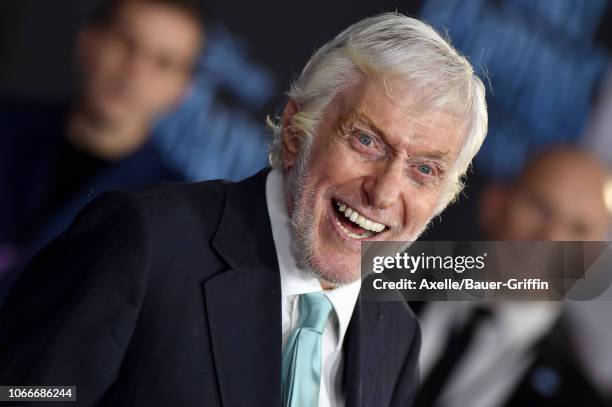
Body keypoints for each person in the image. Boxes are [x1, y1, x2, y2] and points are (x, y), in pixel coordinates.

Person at [0, 13, 488, 407]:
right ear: (298, 134)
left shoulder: (395, 337)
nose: (383, 193)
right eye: (366, 141)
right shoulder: (149, 240)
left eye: (425, 170)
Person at [0, 0, 205, 297]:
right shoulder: (6, 124)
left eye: (163, 63)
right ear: (87, 40)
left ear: (182, 90)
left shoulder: (170, 209)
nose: (133, 71)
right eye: (126, 43)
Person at [415, 147, 611, 407]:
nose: (549, 238)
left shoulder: (581, 398)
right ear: (494, 203)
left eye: (578, 229)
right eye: (540, 208)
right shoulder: (375, 285)